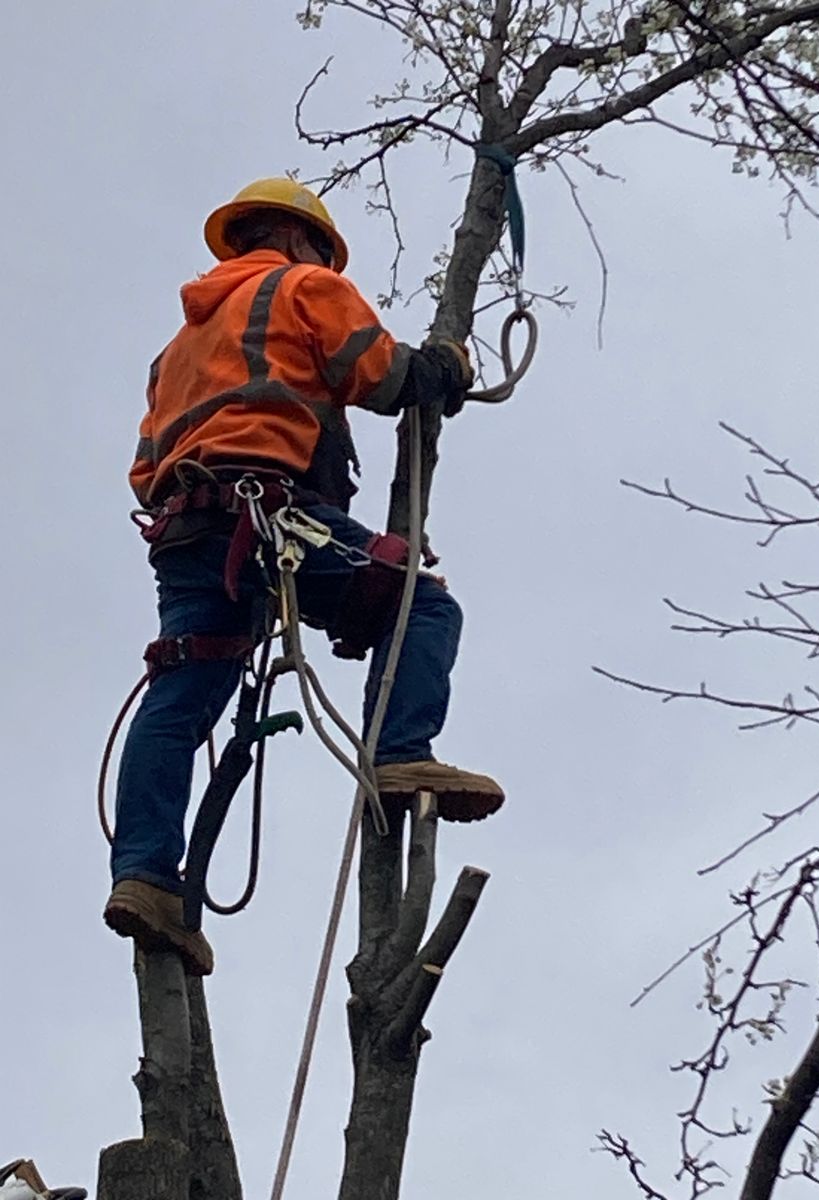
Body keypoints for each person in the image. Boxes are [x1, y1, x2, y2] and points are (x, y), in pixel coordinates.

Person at [103, 178, 505, 976]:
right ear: (297, 239)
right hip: (266, 512)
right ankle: (398, 753)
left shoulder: (176, 351)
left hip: (188, 533)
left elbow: (146, 470)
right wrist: (443, 368)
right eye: (323, 248)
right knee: (422, 607)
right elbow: (384, 376)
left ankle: (145, 877)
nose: (325, 261)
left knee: (184, 691)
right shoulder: (303, 287)